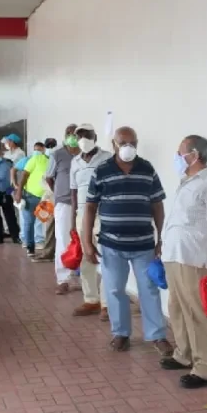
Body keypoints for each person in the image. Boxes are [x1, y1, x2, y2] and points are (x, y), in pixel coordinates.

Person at [83, 126, 172, 355]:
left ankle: (157, 335)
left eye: (132, 143)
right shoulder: (102, 170)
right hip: (111, 244)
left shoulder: (147, 169)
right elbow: (90, 206)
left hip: (143, 244)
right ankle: (121, 333)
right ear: (114, 144)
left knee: (149, 290)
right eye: (123, 143)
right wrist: (86, 241)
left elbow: (157, 205)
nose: (128, 147)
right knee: (114, 290)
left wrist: (161, 238)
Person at [159, 135, 207, 389]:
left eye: (180, 152)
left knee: (201, 313)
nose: (176, 157)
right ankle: (184, 354)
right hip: (175, 256)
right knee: (178, 308)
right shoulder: (186, 182)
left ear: (194, 155)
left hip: (195, 258)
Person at [69, 124, 112, 320]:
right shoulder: (75, 161)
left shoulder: (107, 157)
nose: (83, 139)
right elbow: (73, 191)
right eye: (80, 136)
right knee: (86, 257)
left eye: (87, 135)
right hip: (82, 214)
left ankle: (106, 304)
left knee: (105, 258)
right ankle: (91, 300)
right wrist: (72, 220)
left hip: (103, 213)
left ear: (95, 136)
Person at [45, 124, 81, 294]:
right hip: (65, 203)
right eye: (69, 133)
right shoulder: (57, 154)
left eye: (75, 133)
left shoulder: (85, 154)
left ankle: (82, 277)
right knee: (63, 240)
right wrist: (60, 193)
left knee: (85, 239)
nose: (72, 136)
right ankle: (63, 279)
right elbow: (49, 178)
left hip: (85, 204)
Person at [14, 142, 50, 257]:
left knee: (43, 221)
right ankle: (30, 247)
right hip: (30, 195)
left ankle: (40, 242)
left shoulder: (51, 160)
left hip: (45, 197)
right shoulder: (34, 159)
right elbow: (24, 175)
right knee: (29, 222)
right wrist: (19, 191)